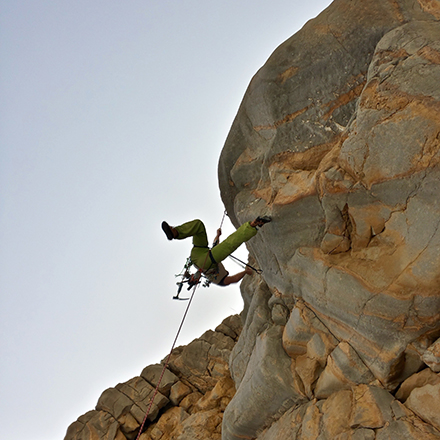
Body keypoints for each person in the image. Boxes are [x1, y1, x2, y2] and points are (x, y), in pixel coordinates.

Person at [161, 216, 271, 286]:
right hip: (196, 252)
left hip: (204, 259)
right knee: (198, 225)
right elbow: (215, 245)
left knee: (229, 244)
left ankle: (253, 225)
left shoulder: (220, 281)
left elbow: (233, 279)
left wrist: (246, 272)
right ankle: (176, 232)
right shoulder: (214, 270)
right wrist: (218, 235)